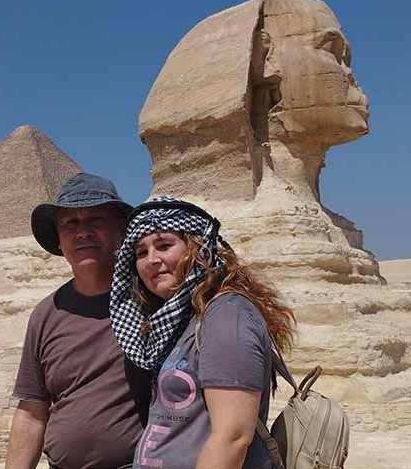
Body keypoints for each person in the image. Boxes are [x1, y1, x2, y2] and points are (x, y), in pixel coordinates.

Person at [109, 196, 296, 469]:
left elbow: (232, 437)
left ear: (197, 249)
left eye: (164, 245)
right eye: (140, 252)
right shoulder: (179, 321)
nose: (152, 260)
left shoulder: (226, 314)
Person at [6, 172, 151, 469]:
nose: (82, 232)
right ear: (59, 240)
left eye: (95, 220)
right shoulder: (46, 315)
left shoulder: (153, 303)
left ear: (122, 230)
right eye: (71, 224)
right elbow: (32, 411)